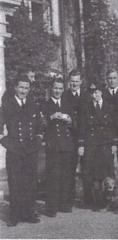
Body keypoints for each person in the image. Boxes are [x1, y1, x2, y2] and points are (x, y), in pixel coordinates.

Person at [0, 74, 43, 227]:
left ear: (29, 89)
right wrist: (6, 142)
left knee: (30, 183)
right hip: (15, 150)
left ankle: (29, 213)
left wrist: (38, 140)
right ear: (15, 88)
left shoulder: (33, 105)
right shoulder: (7, 105)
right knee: (15, 183)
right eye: (21, 87)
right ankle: (14, 216)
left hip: (30, 150)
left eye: (26, 88)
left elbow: (39, 125)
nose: (23, 91)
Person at [78, 83, 118, 211]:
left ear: (101, 92)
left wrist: (114, 143)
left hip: (105, 145)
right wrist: (81, 144)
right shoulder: (86, 108)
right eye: (92, 93)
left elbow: (113, 127)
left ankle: (106, 201)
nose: (93, 95)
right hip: (91, 145)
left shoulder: (109, 107)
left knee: (105, 173)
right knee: (89, 173)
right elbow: (82, 127)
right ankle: (90, 200)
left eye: (96, 93)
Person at [42, 77, 74, 217]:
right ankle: (51, 207)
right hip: (53, 145)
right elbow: (41, 124)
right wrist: (51, 117)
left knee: (65, 175)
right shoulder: (45, 105)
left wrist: (69, 119)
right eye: (55, 88)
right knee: (53, 176)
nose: (58, 91)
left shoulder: (67, 103)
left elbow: (74, 123)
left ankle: (63, 204)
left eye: (60, 88)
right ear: (51, 89)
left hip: (66, 144)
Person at [102, 69, 118, 188]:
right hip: (107, 134)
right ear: (106, 80)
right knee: (107, 164)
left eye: (114, 78)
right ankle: (109, 193)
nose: (112, 81)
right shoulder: (102, 94)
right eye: (109, 78)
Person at [65, 69, 85, 208]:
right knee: (70, 167)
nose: (74, 84)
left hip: (85, 136)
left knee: (87, 167)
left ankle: (88, 197)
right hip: (70, 136)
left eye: (77, 81)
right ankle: (69, 198)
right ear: (69, 82)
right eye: (72, 81)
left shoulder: (87, 95)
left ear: (81, 82)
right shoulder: (64, 96)